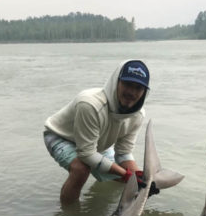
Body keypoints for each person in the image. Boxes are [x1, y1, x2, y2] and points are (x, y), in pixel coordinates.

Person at [43, 59, 150, 205]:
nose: (131, 92)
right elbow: (86, 154)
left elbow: (124, 153)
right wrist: (126, 174)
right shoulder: (90, 104)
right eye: (127, 84)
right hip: (61, 136)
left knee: (127, 180)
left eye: (138, 88)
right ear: (116, 82)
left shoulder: (138, 115)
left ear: (144, 92)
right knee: (81, 169)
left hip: (96, 143)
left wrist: (141, 180)